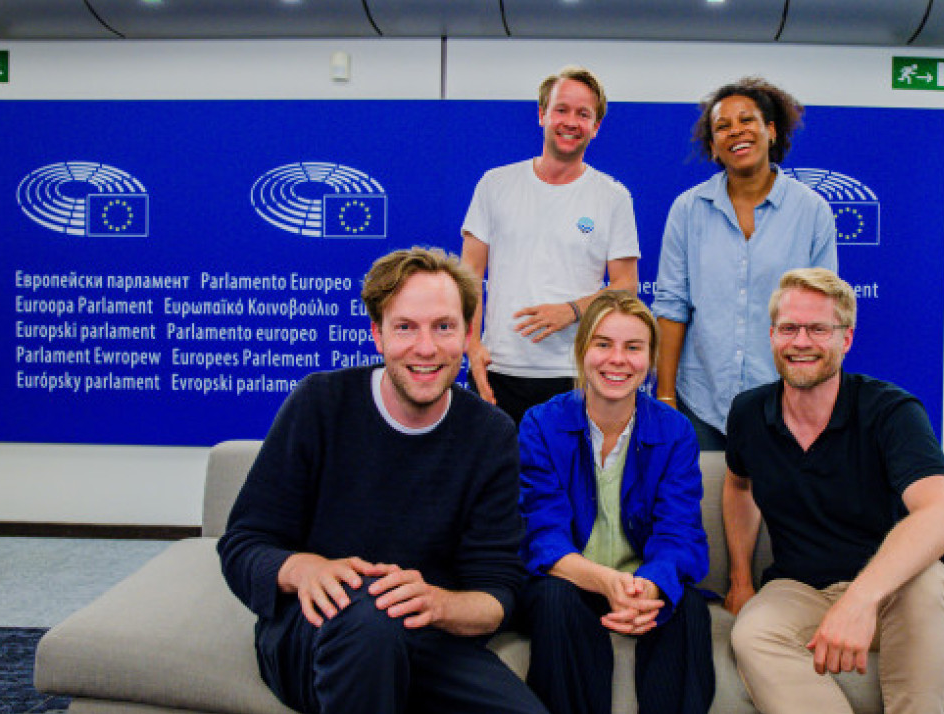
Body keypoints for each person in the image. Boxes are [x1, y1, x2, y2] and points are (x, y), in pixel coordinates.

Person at [217, 247, 546, 714]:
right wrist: (304, 568)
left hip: (422, 635)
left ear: (467, 334)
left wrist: (436, 603)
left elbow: (497, 593)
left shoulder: (490, 433)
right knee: (369, 623)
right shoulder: (320, 404)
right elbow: (242, 545)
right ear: (377, 334)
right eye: (406, 327)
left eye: (444, 327)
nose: (427, 348)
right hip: (319, 632)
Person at [722, 268, 944, 714]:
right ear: (772, 335)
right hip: (800, 587)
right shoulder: (748, 412)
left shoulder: (892, 410)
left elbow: (941, 515)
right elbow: (739, 485)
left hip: (900, 584)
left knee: (928, 592)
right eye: (789, 328)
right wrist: (740, 579)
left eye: (818, 329)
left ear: (846, 339)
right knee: (751, 633)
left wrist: (860, 599)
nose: (801, 342)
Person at [515, 290, 716, 714]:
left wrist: (650, 585)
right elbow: (542, 533)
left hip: (642, 582)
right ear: (582, 349)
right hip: (567, 580)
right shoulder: (540, 423)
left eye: (633, 347)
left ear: (650, 359)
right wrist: (605, 583)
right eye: (603, 344)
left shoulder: (675, 431)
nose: (617, 359)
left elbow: (679, 532)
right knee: (555, 601)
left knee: (689, 608)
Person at [653, 76, 839, 450]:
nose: (736, 131)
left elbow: (823, 315)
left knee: (777, 508)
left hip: (784, 401)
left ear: (770, 131)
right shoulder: (688, 209)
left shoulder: (812, 210)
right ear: (713, 147)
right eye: (723, 126)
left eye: (746, 120)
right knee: (696, 507)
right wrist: (666, 397)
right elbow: (671, 306)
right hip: (699, 404)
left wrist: (815, 398)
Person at [462, 65, 641, 425]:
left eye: (583, 114)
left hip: (575, 372)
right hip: (499, 370)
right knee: (499, 480)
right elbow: (468, 276)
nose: (571, 121)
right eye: (561, 109)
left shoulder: (613, 196)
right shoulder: (494, 185)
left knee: (570, 481)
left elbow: (627, 286)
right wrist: (473, 348)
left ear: (596, 126)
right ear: (542, 114)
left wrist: (571, 310)